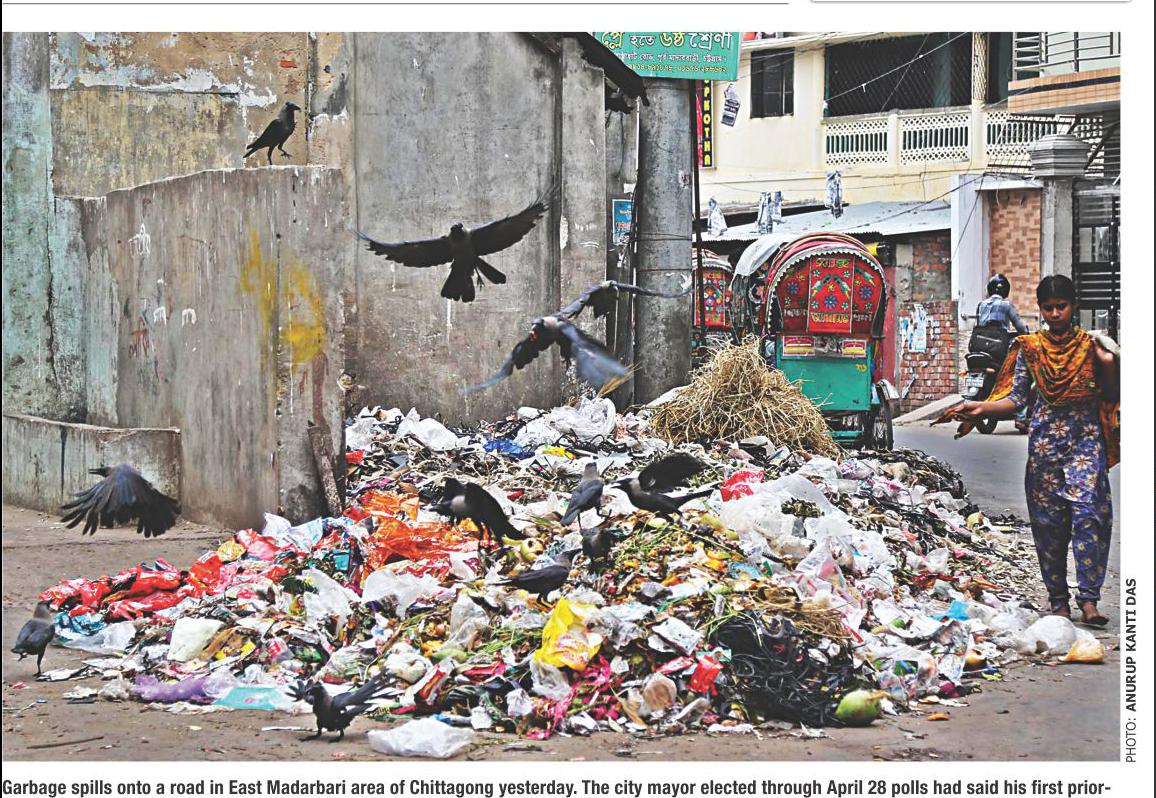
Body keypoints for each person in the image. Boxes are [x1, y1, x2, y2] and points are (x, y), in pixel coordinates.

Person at [954, 275, 1119, 626]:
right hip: (1045, 446)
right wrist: (982, 408)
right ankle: (1058, 601)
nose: (1055, 314)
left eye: (1062, 307)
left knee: (1089, 515)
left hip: (1086, 442)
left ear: (1074, 307)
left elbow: (1111, 395)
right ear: (1041, 309)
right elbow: (1016, 399)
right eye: (1048, 308)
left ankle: (1089, 600)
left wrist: (1108, 366)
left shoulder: (1093, 348)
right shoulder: (1029, 348)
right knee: (1049, 524)